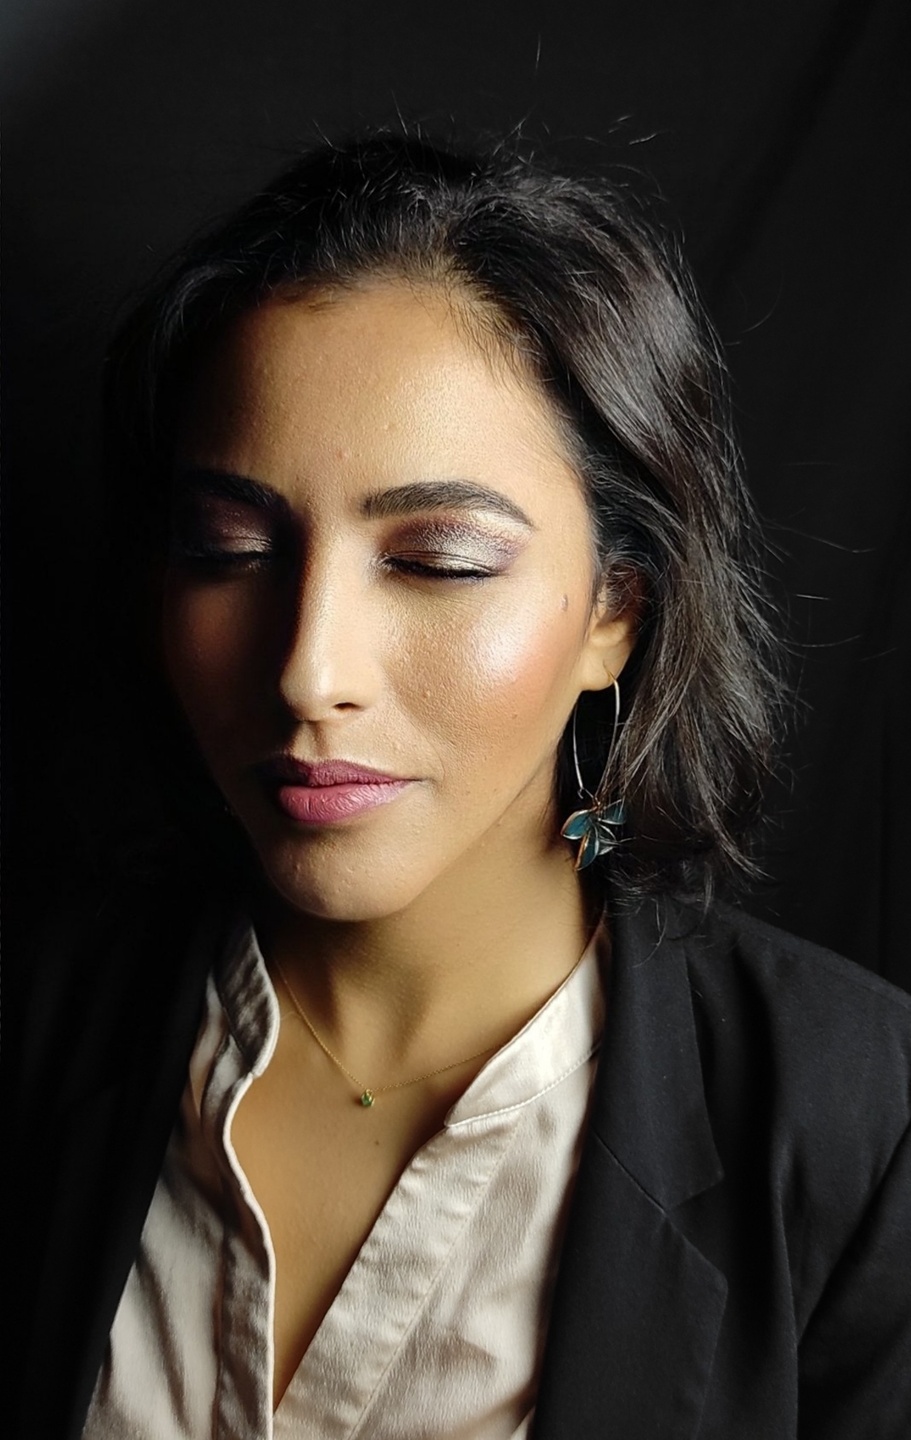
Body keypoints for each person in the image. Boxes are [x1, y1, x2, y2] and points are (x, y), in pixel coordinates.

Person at [12, 130, 911, 1440]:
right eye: (231, 548)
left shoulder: (862, 1127)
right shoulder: (35, 1028)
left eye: (437, 561)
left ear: (616, 610)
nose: (308, 670)